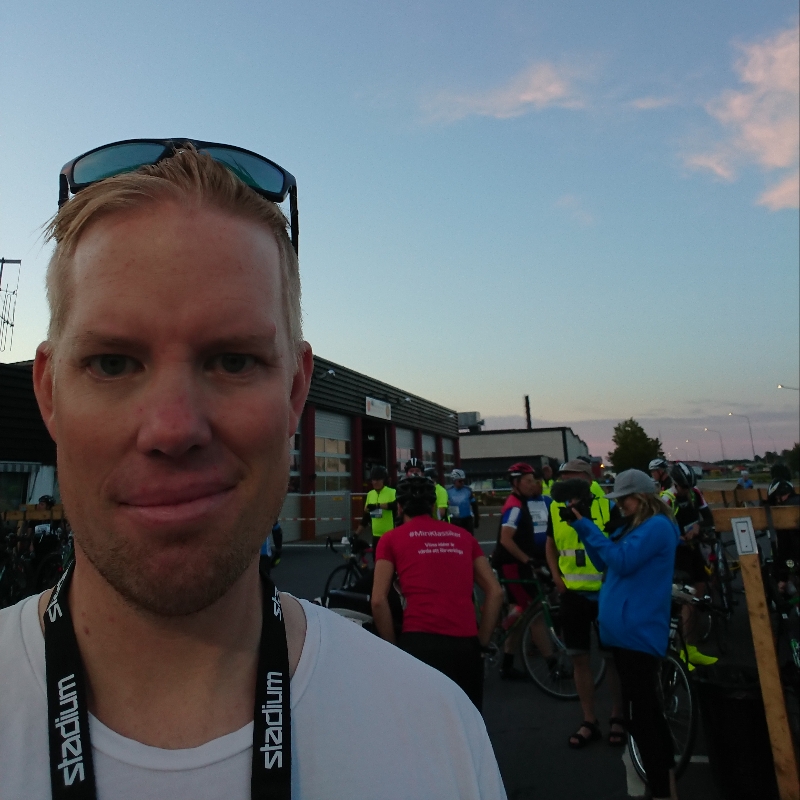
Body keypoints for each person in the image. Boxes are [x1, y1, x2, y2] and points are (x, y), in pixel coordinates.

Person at [0, 142, 507, 799]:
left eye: (234, 361)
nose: (173, 429)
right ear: (49, 394)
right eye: (112, 363)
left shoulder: (438, 735)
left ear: (296, 392)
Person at [569, 469, 681, 800]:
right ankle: (665, 786)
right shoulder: (637, 526)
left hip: (638, 633)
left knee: (644, 719)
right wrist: (583, 525)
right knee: (645, 716)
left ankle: (661, 789)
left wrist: (588, 527)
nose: (620, 506)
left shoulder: (657, 526)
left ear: (642, 497)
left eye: (624, 500)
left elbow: (622, 560)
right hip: (626, 632)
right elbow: (603, 562)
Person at [371, 476, 503, 711]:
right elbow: (495, 592)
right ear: (433, 507)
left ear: (399, 507)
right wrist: (481, 643)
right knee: (467, 722)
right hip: (465, 643)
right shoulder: (464, 536)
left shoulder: (390, 539)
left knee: (422, 722)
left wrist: (392, 648)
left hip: (419, 641)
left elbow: (378, 600)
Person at [545, 459, 625, 748]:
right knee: (579, 658)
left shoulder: (607, 505)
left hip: (605, 593)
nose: (566, 482)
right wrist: (557, 578)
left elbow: (619, 546)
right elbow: (551, 544)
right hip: (573, 594)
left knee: (612, 659)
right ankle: (589, 719)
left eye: (572, 477)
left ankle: (618, 716)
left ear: (588, 478)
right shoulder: (556, 506)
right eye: (563, 477)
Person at [490, 463, 555, 680]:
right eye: (527, 481)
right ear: (516, 483)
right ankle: (553, 665)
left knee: (519, 612)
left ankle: (506, 661)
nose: (532, 484)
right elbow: (505, 539)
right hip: (512, 566)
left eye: (533, 480)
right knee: (534, 613)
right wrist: (529, 560)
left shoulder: (523, 502)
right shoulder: (515, 506)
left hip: (518, 565)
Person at [669, 462, 717, 668]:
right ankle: (681, 650)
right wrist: (678, 537)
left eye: (689, 487)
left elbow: (708, 518)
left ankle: (691, 648)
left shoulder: (695, 493)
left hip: (693, 548)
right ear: (675, 483)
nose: (687, 491)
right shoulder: (667, 499)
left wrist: (698, 526)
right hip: (677, 553)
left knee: (699, 591)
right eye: (683, 487)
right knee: (686, 598)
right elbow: (656, 528)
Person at [354, 465, 397, 553]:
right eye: (373, 479)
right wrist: (356, 534)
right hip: (376, 536)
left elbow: (395, 506)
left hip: (391, 535)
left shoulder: (392, 492)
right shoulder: (370, 494)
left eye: (378, 479)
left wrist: (377, 506)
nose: (375, 482)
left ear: (384, 480)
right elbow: (366, 517)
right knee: (376, 560)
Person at [447, 468, 480, 534]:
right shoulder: (448, 492)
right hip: (454, 520)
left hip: (467, 520)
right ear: (454, 481)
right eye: (460, 481)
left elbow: (474, 506)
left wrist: (476, 520)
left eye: (463, 481)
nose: (462, 483)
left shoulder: (468, 490)